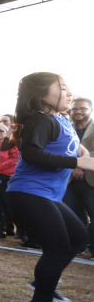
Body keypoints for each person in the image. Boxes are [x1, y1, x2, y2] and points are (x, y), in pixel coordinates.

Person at [6, 73, 94, 302]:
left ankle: (44, 281)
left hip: (46, 195)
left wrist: (81, 150)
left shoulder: (60, 120)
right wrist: (78, 161)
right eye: (62, 88)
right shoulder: (39, 119)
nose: (69, 93)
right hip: (28, 193)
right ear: (42, 94)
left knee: (78, 237)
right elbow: (32, 153)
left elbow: (64, 147)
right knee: (57, 247)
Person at [63, 97, 94, 255]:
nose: (78, 112)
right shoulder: (65, 129)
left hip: (91, 180)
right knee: (72, 215)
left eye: (83, 108)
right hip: (68, 180)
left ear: (91, 110)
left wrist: (80, 163)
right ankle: (78, 246)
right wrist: (73, 166)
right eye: (74, 109)